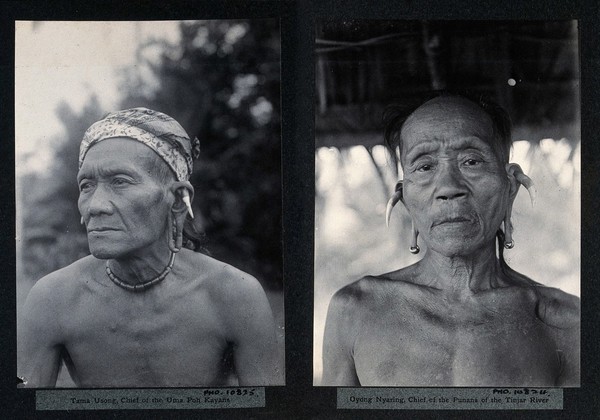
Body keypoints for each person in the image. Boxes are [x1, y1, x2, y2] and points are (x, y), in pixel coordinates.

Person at [322, 94, 580, 387]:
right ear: (405, 197)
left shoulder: (568, 322)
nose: (448, 188)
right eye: (425, 166)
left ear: (510, 187)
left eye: (471, 161)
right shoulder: (354, 310)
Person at [18, 108, 280, 387]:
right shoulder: (52, 299)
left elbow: (270, 412)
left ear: (178, 199)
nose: (95, 206)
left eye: (120, 182)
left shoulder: (236, 297)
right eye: (87, 185)